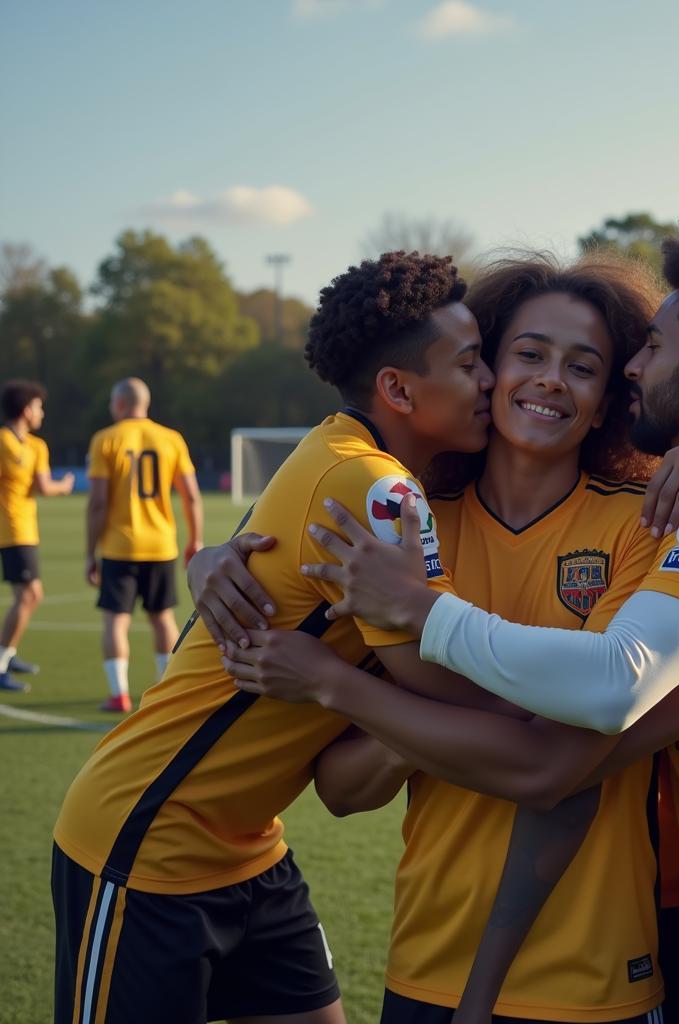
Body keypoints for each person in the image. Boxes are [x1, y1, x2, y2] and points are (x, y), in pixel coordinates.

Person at [277, 214, 679, 1024]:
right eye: (527, 353)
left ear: (607, 401)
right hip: (427, 961)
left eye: (587, 366)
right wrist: (231, 572)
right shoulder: (410, 527)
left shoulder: (655, 523)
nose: (553, 379)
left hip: (610, 974)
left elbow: (568, 758)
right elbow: (342, 789)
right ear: (483, 372)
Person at [52, 251, 498, 1024]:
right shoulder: (377, 486)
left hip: (249, 846)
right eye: (470, 364)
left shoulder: (346, 452)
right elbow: (436, 684)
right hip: (144, 840)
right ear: (397, 388)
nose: (490, 380)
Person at [85, 377, 204, 712]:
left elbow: (97, 503)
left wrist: (89, 552)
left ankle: (118, 694)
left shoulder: (105, 440)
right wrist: (194, 539)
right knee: (163, 617)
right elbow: (191, 496)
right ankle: (167, 691)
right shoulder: (171, 439)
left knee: (115, 620)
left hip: (119, 546)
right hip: (161, 544)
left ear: (120, 404)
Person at [0, 379, 74, 692]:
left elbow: (41, 485)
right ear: (26, 408)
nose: (41, 412)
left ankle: (7, 652)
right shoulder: (3, 440)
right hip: (10, 528)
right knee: (29, 594)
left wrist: (62, 486)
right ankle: (2, 661)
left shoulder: (36, 445)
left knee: (31, 595)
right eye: (38, 406)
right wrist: (64, 486)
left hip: (26, 528)